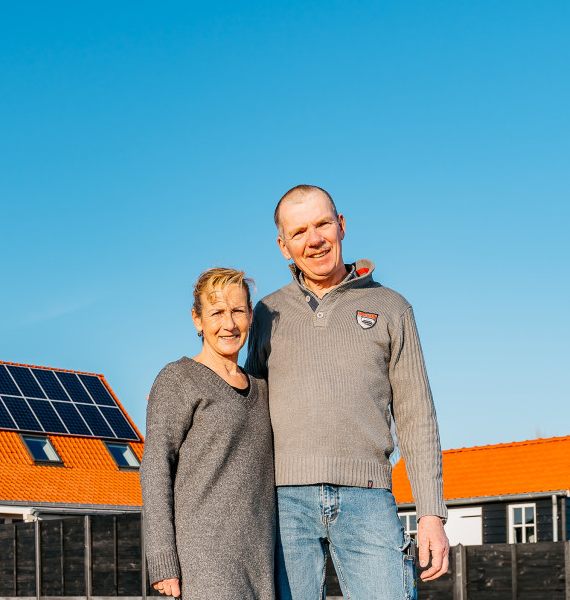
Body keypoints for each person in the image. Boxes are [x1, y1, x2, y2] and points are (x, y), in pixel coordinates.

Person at [244, 184, 449, 600]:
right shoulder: (266, 312)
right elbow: (247, 405)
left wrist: (431, 513)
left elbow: (416, 415)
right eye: (299, 232)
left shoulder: (392, 307)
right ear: (284, 246)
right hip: (284, 504)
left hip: (368, 498)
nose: (314, 240)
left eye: (322, 224)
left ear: (341, 225)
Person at [142, 268, 275, 600]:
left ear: (250, 316)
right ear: (197, 320)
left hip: (262, 561)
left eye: (238, 311)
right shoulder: (178, 379)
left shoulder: (263, 387)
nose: (229, 324)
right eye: (217, 313)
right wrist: (162, 559)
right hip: (204, 561)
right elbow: (155, 468)